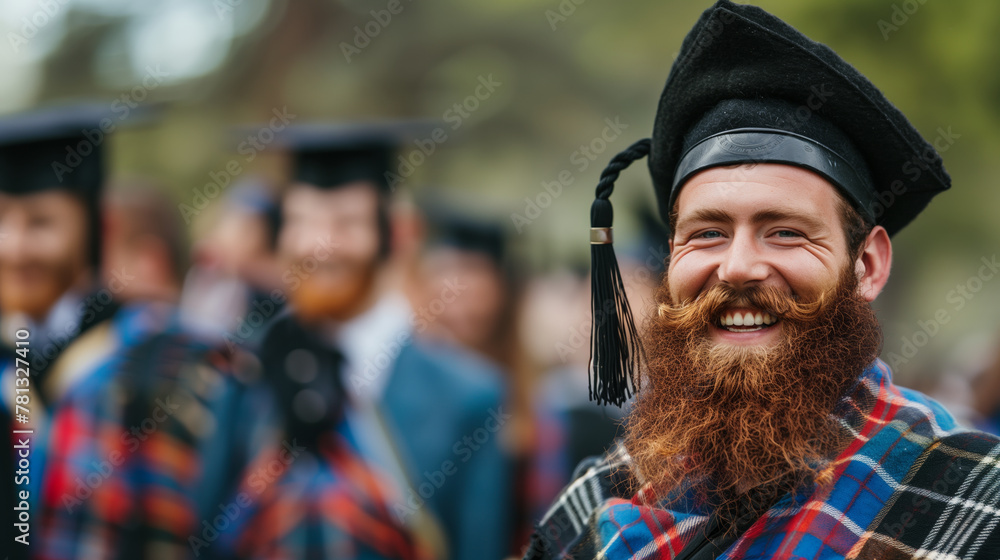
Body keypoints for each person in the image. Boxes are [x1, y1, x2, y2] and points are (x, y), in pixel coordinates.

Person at [525, 2, 1000, 559]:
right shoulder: (594, 505)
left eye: (785, 232)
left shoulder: (974, 505)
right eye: (707, 233)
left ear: (866, 266)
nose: (737, 267)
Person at [211, 124, 513, 560]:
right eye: (303, 221)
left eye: (346, 223)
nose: (321, 245)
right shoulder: (241, 368)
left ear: (395, 233)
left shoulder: (470, 395)